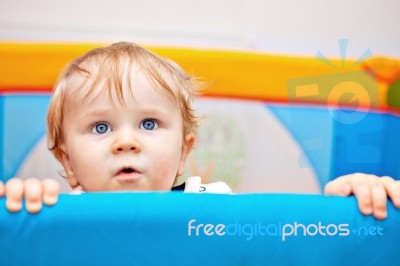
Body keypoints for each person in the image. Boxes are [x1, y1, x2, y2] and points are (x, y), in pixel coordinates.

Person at [0, 42, 399, 219]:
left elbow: (282, 240)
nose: (126, 142)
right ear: (67, 161)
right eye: (101, 126)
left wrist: (339, 207)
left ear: (185, 149)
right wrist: (17, 206)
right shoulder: (53, 212)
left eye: (149, 123)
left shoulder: (215, 206)